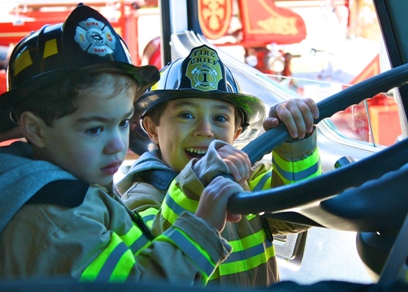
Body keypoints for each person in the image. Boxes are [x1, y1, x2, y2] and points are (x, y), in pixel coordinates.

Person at [0, 5, 241, 285]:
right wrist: (201, 228)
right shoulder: (57, 218)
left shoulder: (78, 188)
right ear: (35, 129)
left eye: (122, 123)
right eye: (94, 129)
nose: (117, 145)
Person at [116, 44, 321, 288]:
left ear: (236, 133)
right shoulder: (136, 202)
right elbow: (162, 264)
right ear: (152, 129)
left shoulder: (249, 181)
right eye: (186, 115)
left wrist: (296, 141)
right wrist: (198, 181)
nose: (206, 131)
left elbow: (296, 214)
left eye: (220, 118)